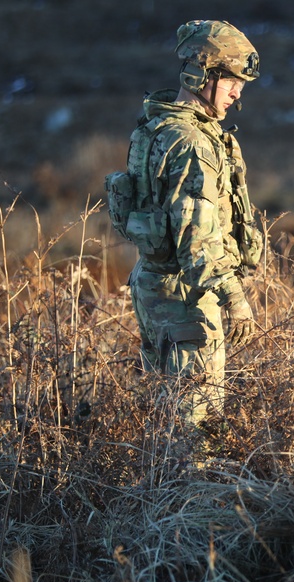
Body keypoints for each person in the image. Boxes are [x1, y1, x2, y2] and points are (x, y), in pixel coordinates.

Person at [120, 20, 266, 443]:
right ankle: (192, 506)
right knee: (194, 430)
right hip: (187, 299)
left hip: (155, 288)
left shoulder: (155, 128)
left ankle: (162, 502)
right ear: (201, 76)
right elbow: (196, 236)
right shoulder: (191, 143)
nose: (238, 93)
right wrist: (234, 297)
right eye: (232, 82)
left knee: (168, 418)